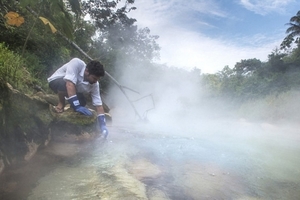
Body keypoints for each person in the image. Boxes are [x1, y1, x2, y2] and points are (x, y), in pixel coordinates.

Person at [47, 58, 108, 136]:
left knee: (82, 102)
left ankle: (70, 107)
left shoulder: (95, 84)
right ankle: (61, 103)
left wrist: (103, 125)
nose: (96, 81)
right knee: (64, 84)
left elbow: (99, 105)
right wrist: (76, 105)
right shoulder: (77, 63)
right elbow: (69, 84)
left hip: (73, 88)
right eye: (94, 78)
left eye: (98, 79)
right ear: (87, 71)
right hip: (56, 81)